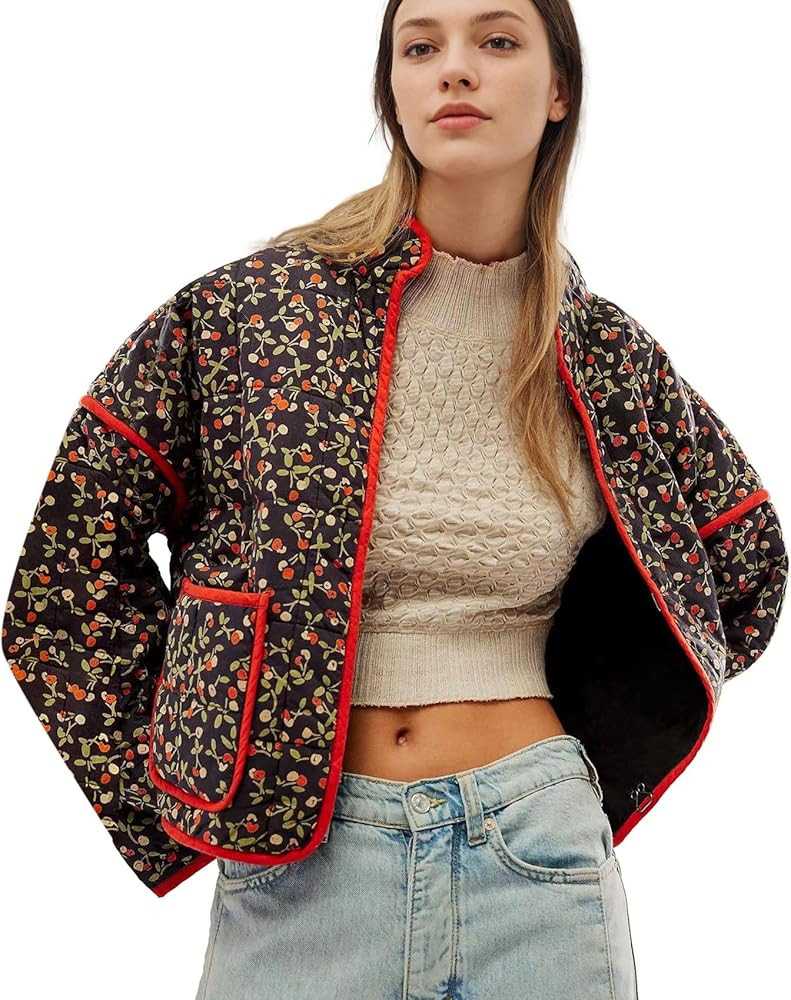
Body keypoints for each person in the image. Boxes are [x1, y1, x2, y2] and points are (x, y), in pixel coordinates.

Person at [2, 3, 786, 999]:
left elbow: (742, 562)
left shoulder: (605, 359)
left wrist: (603, 714)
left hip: (537, 852)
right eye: (420, 47)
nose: (454, 69)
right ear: (393, 93)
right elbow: (65, 578)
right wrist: (187, 786)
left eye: (495, 41)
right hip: (300, 868)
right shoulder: (250, 317)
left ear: (558, 90)